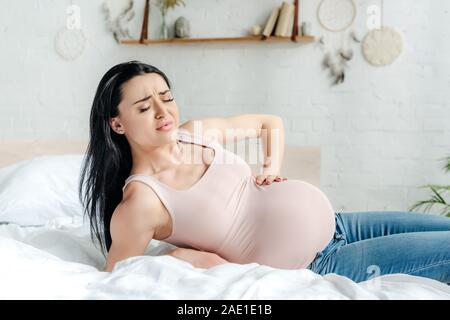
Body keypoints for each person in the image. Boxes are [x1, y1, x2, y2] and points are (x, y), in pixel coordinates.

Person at [79, 61, 450, 284]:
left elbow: (268, 124)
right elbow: (117, 279)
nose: (163, 111)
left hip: (341, 224)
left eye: (167, 96)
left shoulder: (196, 132)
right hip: (318, 263)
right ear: (117, 124)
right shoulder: (142, 202)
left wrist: (270, 169)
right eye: (145, 107)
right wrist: (181, 259)